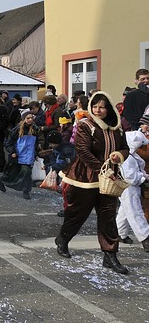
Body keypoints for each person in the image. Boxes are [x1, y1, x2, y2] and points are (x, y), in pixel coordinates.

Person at [55, 92, 130, 274]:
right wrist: (103, 170)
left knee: (108, 216)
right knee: (77, 213)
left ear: (109, 108)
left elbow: (125, 148)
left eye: (102, 107)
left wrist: (118, 155)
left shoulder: (117, 128)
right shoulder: (85, 125)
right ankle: (63, 239)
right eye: (95, 106)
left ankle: (110, 254)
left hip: (109, 179)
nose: (98, 110)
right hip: (86, 176)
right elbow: (83, 151)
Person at [0, 111, 44, 199]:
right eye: (28, 118)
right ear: (23, 119)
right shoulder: (17, 129)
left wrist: (39, 148)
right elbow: (9, 142)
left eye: (31, 118)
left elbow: (40, 140)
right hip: (18, 156)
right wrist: (12, 152)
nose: (30, 120)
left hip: (29, 156)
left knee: (27, 173)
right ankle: (2, 181)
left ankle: (26, 191)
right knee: (13, 173)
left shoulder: (35, 129)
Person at [116, 131, 149, 251]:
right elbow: (130, 177)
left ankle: (119, 233)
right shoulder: (127, 158)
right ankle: (145, 237)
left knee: (125, 211)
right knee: (135, 212)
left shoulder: (131, 155)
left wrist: (144, 176)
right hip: (129, 187)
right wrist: (142, 178)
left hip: (128, 187)